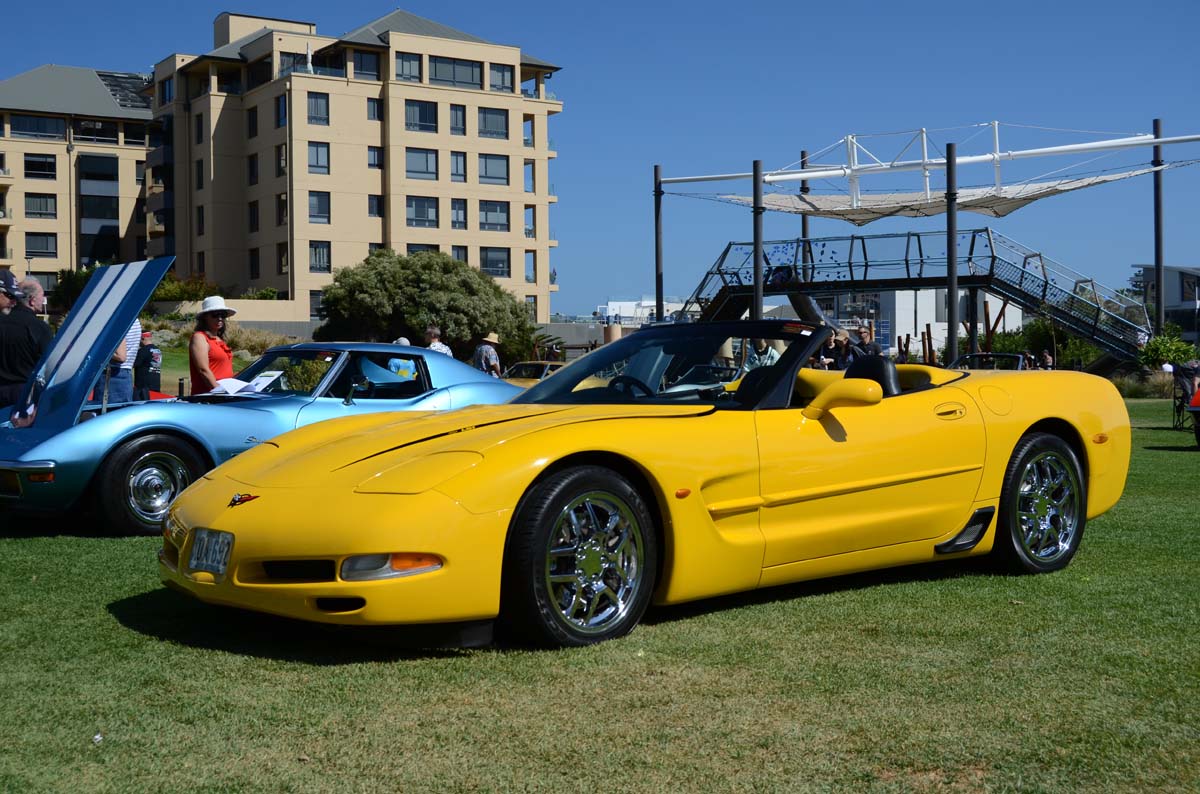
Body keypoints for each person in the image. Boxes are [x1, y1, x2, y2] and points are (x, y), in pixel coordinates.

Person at [0, 271, 53, 408]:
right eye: (10, 295)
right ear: (32, 300)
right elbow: (50, 365)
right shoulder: (39, 328)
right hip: (25, 395)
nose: (44, 300)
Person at [189, 296, 236, 394]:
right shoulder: (200, 337)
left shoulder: (219, 340)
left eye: (223, 315)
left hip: (225, 394)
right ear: (205, 317)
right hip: (209, 396)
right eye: (215, 315)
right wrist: (219, 391)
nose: (220, 318)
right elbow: (203, 370)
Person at [107, 317, 142, 404]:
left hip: (113, 375)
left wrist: (99, 351)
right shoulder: (134, 320)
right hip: (125, 374)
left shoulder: (119, 319)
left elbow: (120, 356)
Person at [133, 331, 162, 401]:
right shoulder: (158, 350)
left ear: (142, 338)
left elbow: (133, 364)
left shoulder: (143, 351)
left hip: (143, 387)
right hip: (156, 385)